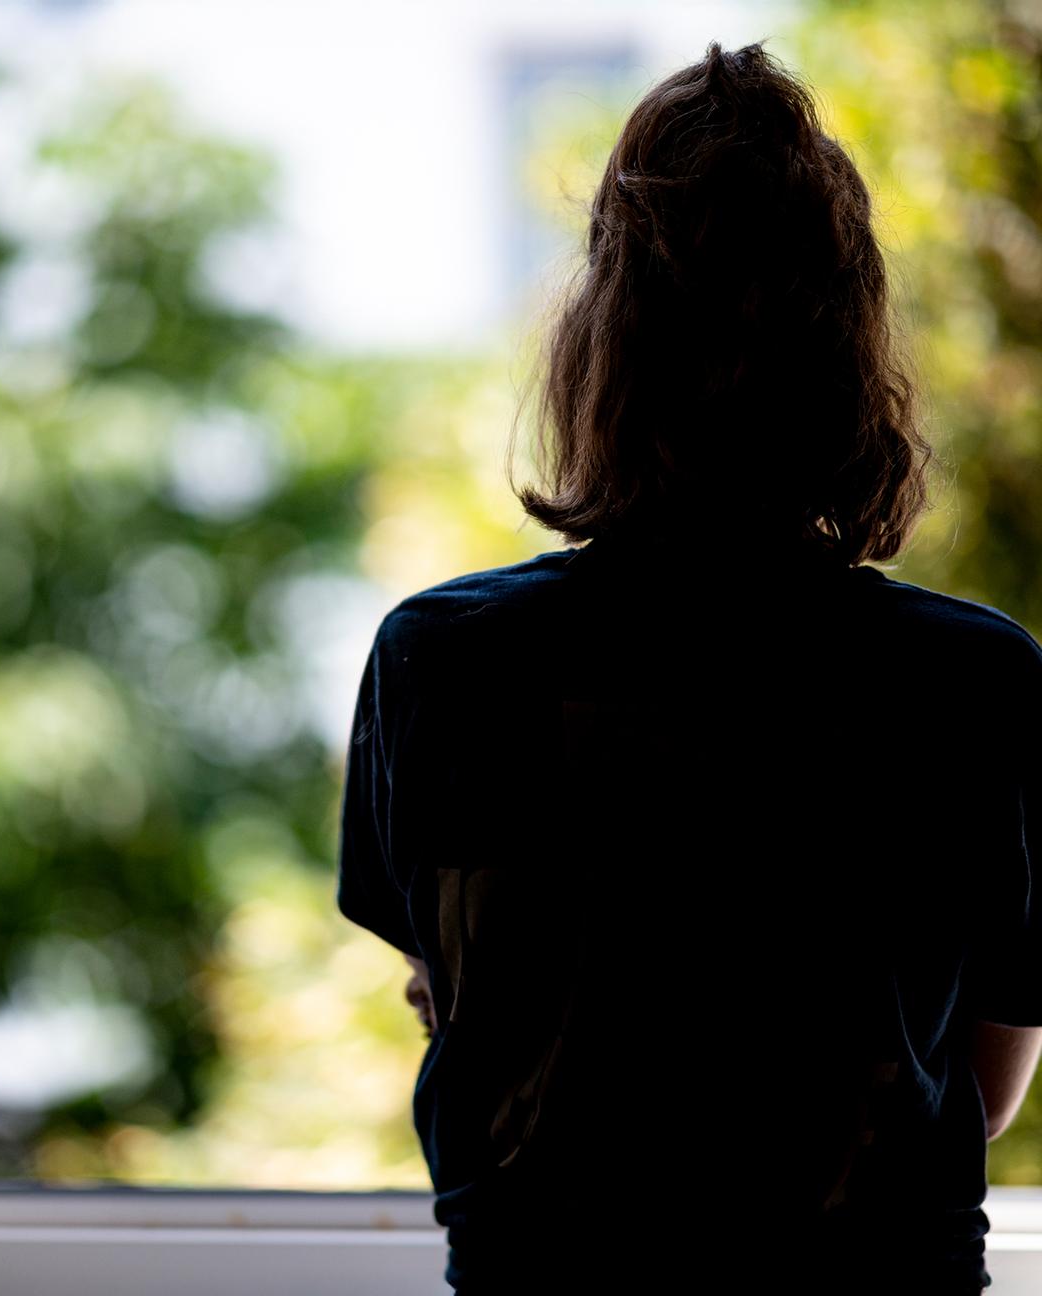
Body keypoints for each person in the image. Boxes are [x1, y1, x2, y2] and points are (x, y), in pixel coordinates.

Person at [336, 38, 1042, 1296]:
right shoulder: (975, 683)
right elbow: (975, 1094)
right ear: (854, 354)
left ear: (597, 347)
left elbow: (476, 1027)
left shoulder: (440, 664)